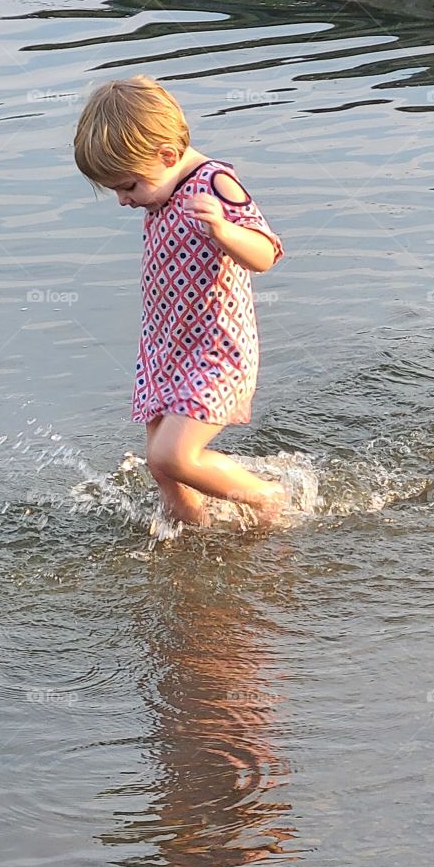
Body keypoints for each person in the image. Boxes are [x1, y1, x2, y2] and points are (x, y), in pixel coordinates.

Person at [73, 75, 286, 528]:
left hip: (216, 350)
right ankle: (193, 539)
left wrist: (225, 232)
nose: (123, 201)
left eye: (128, 187)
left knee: (175, 455)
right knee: (160, 464)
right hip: (165, 348)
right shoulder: (160, 187)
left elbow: (265, 254)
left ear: (167, 157)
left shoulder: (216, 184)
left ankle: (267, 497)